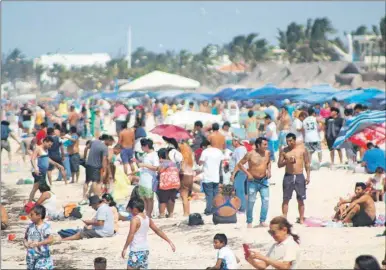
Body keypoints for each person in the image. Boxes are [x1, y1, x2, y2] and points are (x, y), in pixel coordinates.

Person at [121, 198, 176, 269]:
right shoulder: (147, 219)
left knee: (130, 268)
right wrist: (169, 241)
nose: (130, 212)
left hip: (136, 250)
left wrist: (125, 248)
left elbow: (131, 234)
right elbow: (157, 230)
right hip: (145, 250)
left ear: (134, 209)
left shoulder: (135, 220)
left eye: (130, 209)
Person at [237, 137, 271, 228]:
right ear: (258, 145)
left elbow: (268, 162)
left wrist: (269, 171)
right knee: (251, 201)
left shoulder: (267, 153)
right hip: (253, 181)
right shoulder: (250, 154)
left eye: (266, 144)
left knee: (266, 200)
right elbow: (240, 164)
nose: (266, 146)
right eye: (264, 144)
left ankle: (262, 220)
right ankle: (249, 221)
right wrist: (248, 174)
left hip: (264, 180)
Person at [278, 133, 310, 224]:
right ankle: (284, 218)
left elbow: (307, 163)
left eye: (290, 141)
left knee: (300, 199)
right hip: (288, 175)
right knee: (286, 198)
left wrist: (308, 176)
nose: (289, 143)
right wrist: (287, 161)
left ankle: (301, 218)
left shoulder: (302, 149)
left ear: (294, 140)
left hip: (300, 175)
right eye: (287, 141)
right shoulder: (284, 150)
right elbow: (279, 165)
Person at [29, 137, 65, 201]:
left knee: (35, 188)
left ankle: (30, 202)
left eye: (51, 145)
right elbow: (32, 159)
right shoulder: (38, 148)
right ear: (45, 142)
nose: (50, 146)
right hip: (38, 172)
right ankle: (37, 202)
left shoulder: (46, 150)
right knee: (44, 189)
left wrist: (57, 164)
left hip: (42, 172)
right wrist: (35, 169)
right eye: (49, 145)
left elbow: (47, 159)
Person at [81, 135, 113, 205]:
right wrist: (104, 170)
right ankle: (97, 198)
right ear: (107, 140)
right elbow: (104, 160)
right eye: (111, 142)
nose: (110, 144)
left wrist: (84, 158)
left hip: (88, 164)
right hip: (96, 167)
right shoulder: (104, 148)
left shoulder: (94, 142)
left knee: (87, 181)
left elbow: (86, 148)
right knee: (95, 182)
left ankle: (84, 198)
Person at [24, 205, 54, 270]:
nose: (29, 216)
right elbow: (25, 238)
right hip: (31, 256)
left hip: (42, 257)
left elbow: (50, 239)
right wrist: (25, 243)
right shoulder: (30, 226)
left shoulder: (45, 227)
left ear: (39, 216)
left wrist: (39, 243)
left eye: (32, 215)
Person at [199, 139, 224, 215]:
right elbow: (221, 162)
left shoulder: (205, 152)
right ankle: (216, 209)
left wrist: (199, 161)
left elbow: (200, 163)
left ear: (204, 146)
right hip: (216, 177)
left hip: (207, 177)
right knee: (215, 194)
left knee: (209, 195)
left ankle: (208, 210)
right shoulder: (218, 151)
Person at [136, 138, 159, 217]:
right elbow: (143, 165)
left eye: (142, 146)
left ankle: (149, 214)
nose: (141, 148)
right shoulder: (145, 155)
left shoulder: (154, 155)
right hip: (143, 179)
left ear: (146, 146)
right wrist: (137, 162)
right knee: (143, 198)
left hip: (150, 179)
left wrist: (144, 165)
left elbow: (156, 167)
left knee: (149, 198)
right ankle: (146, 213)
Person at [157, 148, 180, 218]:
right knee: (171, 199)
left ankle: (162, 214)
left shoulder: (164, 162)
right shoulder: (173, 163)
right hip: (174, 183)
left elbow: (160, 171)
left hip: (165, 184)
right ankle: (170, 214)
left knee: (163, 199)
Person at [230, 136, 248, 212]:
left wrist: (233, 174)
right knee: (242, 190)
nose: (232, 143)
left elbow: (239, 163)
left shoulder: (239, 150)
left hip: (240, 171)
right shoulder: (242, 149)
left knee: (239, 190)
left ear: (236, 141)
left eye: (232, 141)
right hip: (243, 171)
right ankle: (243, 207)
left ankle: (242, 207)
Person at [178, 141, 194, 216]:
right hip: (190, 176)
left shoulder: (184, 157)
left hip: (184, 176)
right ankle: (188, 212)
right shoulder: (190, 157)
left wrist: (178, 169)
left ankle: (185, 213)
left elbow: (183, 169)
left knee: (183, 195)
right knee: (187, 196)